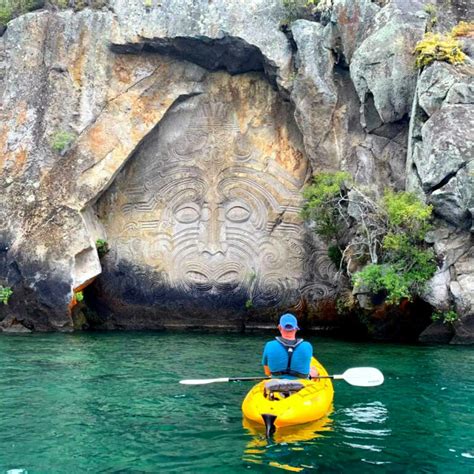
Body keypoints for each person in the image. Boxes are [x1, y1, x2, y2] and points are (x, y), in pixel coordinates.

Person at [262, 313, 319, 379]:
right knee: (314, 371)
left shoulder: (269, 345)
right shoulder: (307, 346)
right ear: (296, 328)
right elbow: (305, 369)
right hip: (301, 385)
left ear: (279, 327)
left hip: (277, 384)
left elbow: (267, 372)